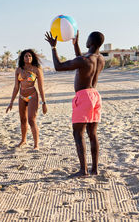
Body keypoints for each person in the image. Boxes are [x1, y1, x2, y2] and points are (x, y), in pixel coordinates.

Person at [45, 30, 105, 177]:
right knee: (92, 134)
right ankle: (95, 169)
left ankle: (83, 170)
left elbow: (58, 66)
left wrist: (53, 47)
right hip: (95, 95)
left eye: (87, 39)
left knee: (78, 133)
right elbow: (83, 60)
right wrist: (75, 45)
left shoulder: (84, 60)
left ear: (90, 42)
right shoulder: (100, 59)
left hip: (83, 96)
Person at [6, 49, 47, 149]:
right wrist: (11, 102)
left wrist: (44, 102)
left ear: (32, 58)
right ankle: (23, 140)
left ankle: (36, 144)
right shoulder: (18, 70)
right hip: (21, 96)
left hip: (32, 96)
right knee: (22, 120)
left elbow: (41, 87)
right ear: (22, 58)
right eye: (26, 56)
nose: (28, 58)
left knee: (31, 120)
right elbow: (16, 87)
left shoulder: (37, 69)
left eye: (30, 56)